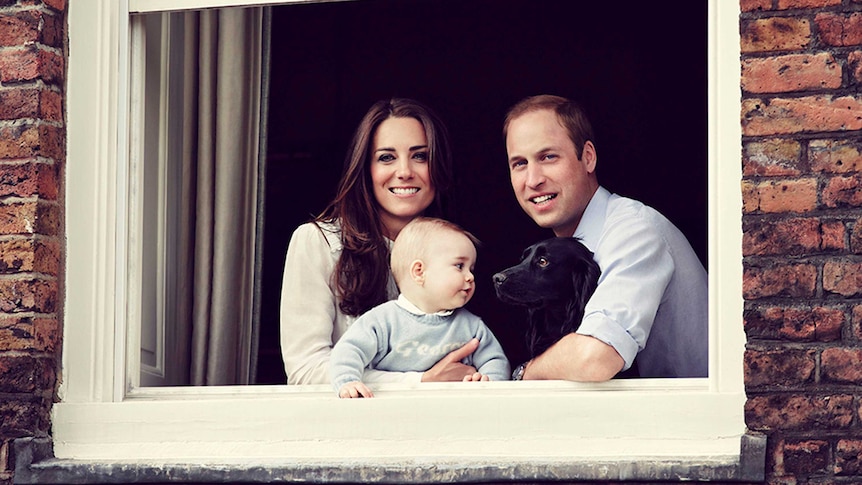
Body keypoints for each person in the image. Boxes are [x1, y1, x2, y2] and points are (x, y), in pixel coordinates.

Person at [503, 94, 708, 381]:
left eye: (548, 157)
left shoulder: (635, 231)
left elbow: (595, 358)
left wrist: (525, 374)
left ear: (588, 157)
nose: (533, 179)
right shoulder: (566, 252)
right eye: (519, 164)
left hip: (695, 422)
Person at [280, 98, 482, 385]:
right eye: (387, 157)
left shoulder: (458, 247)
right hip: (352, 423)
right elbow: (306, 370)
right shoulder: (318, 242)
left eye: (420, 156)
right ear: (365, 168)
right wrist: (419, 381)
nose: (404, 172)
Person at [330, 217, 510, 398]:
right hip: (393, 412)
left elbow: (495, 361)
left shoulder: (471, 326)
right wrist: (348, 381)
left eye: (471, 268)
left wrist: (487, 384)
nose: (470, 276)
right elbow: (348, 351)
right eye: (459, 266)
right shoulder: (382, 321)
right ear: (419, 272)